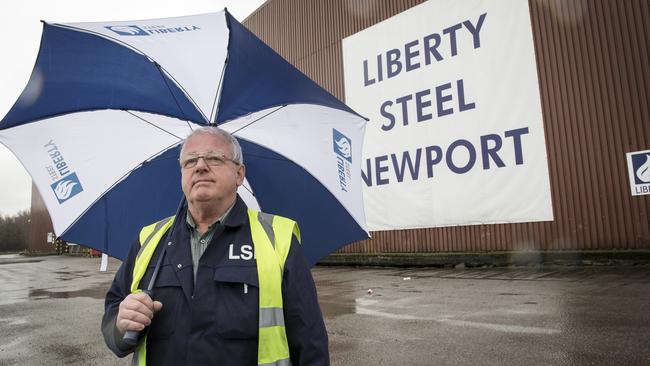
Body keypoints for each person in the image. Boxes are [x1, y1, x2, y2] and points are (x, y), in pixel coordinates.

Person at [101, 126, 329, 365]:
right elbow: (114, 313)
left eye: (214, 158)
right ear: (182, 175)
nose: (200, 166)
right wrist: (120, 324)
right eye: (190, 161)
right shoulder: (149, 239)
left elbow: (310, 342)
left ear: (239, 174)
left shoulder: (277, 239)